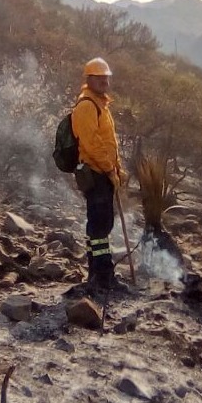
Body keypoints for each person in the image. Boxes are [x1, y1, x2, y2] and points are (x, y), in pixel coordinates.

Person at [71, 57, 128, 294]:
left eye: (106, 77)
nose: (104, 80)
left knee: (103, 225)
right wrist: (108, 168)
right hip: (95, 174)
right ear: (89, 79)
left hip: (105, 173)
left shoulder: (102, 105)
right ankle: (101, 276)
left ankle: (99, 273)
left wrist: (117, 168)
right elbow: (92, 144)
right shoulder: (86, 106)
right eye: (99, 77)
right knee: (98, 227)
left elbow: (109, 142)